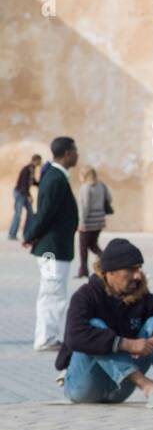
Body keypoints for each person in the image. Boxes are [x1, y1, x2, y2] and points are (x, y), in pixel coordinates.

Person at [56, 238, 153, 407]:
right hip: (83, 388)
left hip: (119, 389)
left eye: (139, 269)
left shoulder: (143, 298)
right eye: (131, 270)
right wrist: (126, 344)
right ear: (110, 272)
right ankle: (148, 387)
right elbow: (75, 336)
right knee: (96, 327)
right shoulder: (86, 295)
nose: (137, 276)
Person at [24, 137, 80, 351]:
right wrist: (30, 235)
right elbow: (45, 213)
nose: (77, 155)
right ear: (67, 153)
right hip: (52, 249)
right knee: (52, 291)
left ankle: (48, 336)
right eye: (75, 151)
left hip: (57, 247)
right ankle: (46, 339)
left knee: (53, 291)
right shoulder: (55, 178)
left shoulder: (57, 176)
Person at [76, 167, 112, 278]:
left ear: (85, 175)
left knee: (83, 247)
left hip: (88, 222)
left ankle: (83, 270)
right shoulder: (101, 185)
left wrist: (81, 222)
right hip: (99, 221)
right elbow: (109, 198)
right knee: (93, 244)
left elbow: (85, 206)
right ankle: (105, 258)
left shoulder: (85, 187)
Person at [9, 154, 41, 240]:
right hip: (20, 193)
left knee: (30, 213)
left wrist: (41, 184)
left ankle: (27, 233)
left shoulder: (32, 169)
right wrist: (29, 196)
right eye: (39, 161)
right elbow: (24, 185)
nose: (40, 163)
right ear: (36, 160)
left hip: (24, 193)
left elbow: (32, 181)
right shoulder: (27, 169)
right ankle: (12, 234)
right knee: (18, 214)